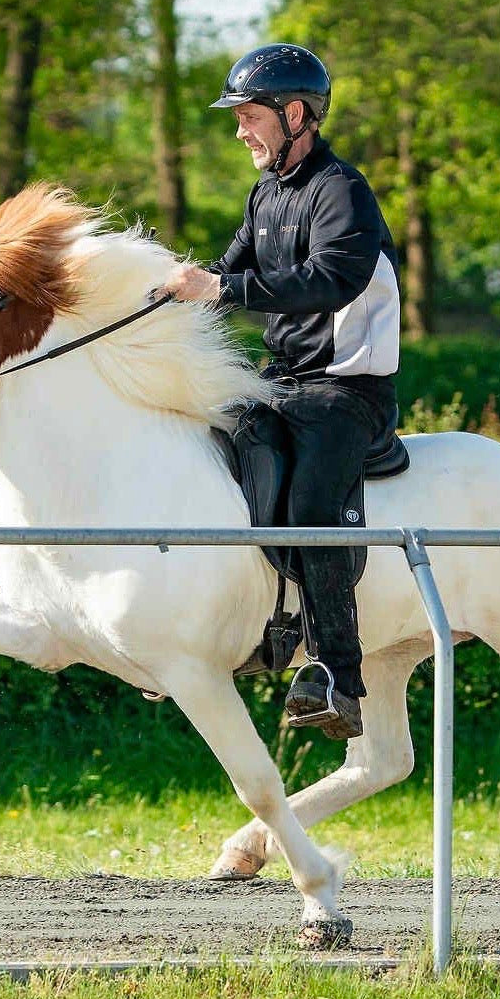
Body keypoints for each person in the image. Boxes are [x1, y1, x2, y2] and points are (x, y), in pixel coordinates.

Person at [160, 44, 401, 740]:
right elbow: (225, 269)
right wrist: (159, 293)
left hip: (348, 390)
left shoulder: (342, 191)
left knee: (311, 505)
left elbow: (332, 279)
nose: (240, 131)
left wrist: (221, 287)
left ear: (295, 115)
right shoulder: (265, 193)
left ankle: (338, 677)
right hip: (283, 382)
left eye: (249, 116)